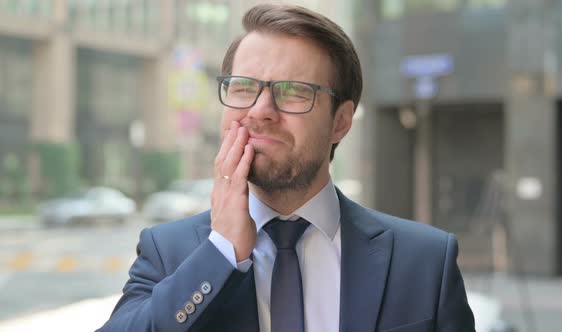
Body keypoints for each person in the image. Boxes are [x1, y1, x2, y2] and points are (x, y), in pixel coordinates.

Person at [98, 4, 475, 332]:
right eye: (243, 87)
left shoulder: (426, 262)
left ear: (341, 122)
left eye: (294, 91)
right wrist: (222, 254)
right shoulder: (167, 251)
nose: (261, 110)